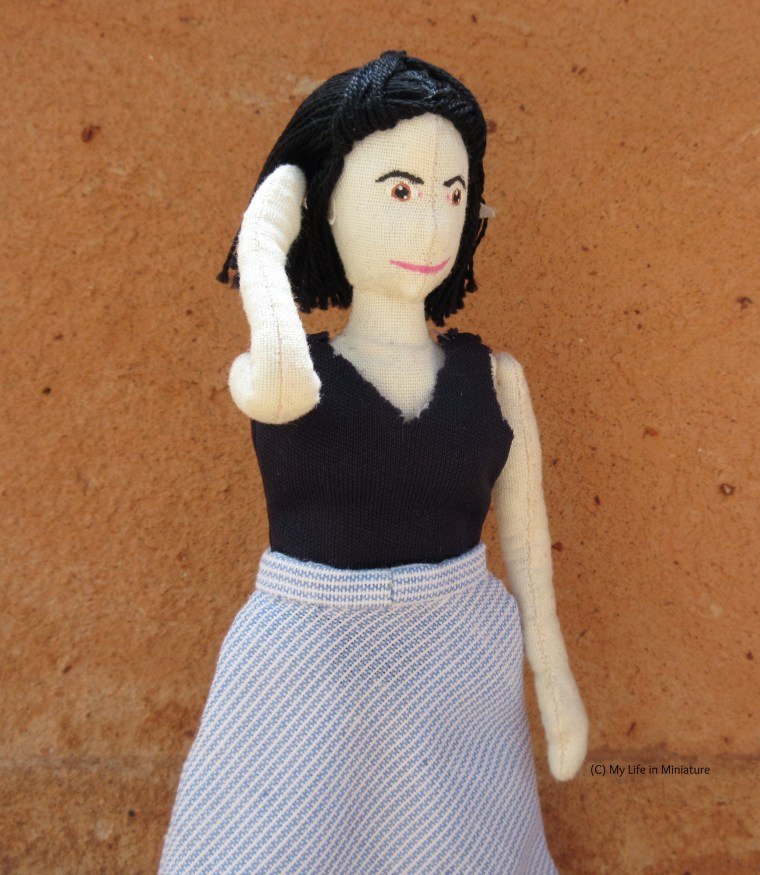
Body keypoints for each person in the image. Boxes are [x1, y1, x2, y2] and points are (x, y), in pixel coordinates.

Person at [159, 52, 587, 873]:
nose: (431, 225)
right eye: (400, 191)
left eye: (452, 195)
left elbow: (529, 549)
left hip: (459, 660)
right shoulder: (285, 374)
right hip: (302, 665)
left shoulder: (495, 381)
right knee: (284, 844)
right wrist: (262, 240)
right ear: (326, 207)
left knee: (461, 844)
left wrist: (554, 677)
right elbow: (279, 367)